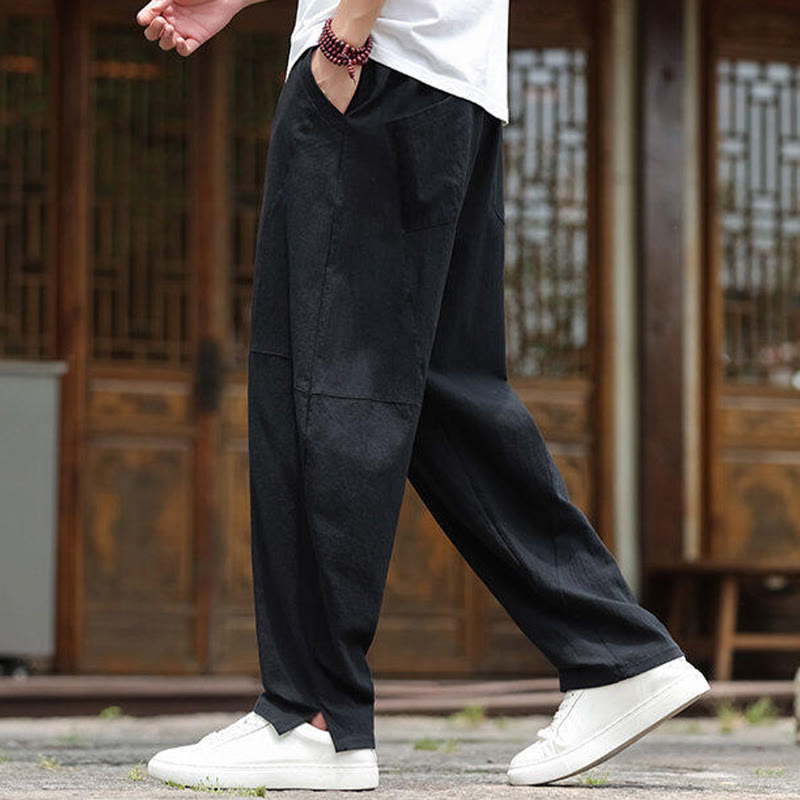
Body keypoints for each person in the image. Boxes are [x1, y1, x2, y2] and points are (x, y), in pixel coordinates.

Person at [136, 0, 710, 790]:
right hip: (450, 89)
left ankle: (312, 716)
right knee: (445, 395)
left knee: (323, 385)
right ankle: (618, 655)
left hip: (375, 74)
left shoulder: (356, 57)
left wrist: (344, 38)